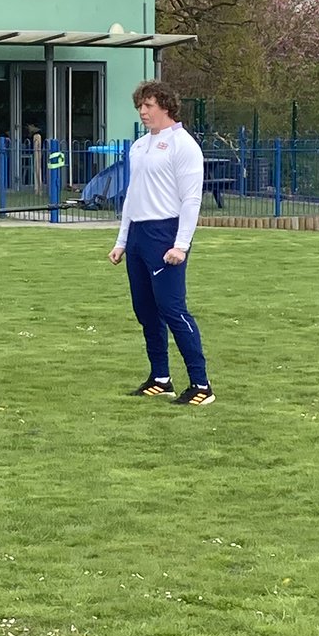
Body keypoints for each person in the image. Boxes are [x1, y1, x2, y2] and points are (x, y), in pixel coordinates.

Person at [108, 80, 215, 406]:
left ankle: (201, 385)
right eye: (140, 105)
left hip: (165, 235)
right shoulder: (138, 147)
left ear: (166, 106)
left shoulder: (184, 146)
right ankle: (160, 377)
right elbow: (132, 196)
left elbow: (191, 199)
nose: (142, 111)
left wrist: (181, 245)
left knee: (172, 308)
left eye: (149, 105)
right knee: (145, 311)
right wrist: (122, 240)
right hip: (139, 236)